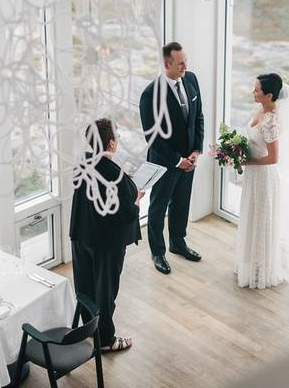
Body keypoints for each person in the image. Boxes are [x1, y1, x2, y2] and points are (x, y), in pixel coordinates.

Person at [69, 118, 144, 352]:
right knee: (106, 291)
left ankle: (88, 329)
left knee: (84, 287)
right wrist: (137, 199)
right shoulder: (114, 172)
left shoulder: (82, 162)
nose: (118, 141)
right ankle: (106, 340)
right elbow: (126, 213)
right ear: (111, 143)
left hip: (81, 234)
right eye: (117, 138)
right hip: (106, 243)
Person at [138, 41, 205, 275]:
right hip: (165, 163)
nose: (185, 66)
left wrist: (196, 152)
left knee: (182, 202)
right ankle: (158, 252)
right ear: (167, 64)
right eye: (180, 63)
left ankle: (178, 243)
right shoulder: (150, 95)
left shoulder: (191, 79)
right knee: (158, 207)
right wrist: (178, 160)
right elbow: (153, 138)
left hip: (190, 160)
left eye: (185, 61)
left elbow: (198, 118)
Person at [235, 73, 289, 289]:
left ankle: (261, 270)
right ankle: (249, 263)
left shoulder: (272, 120)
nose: (253, 92)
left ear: (269, 95)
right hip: (253, 175)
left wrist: (249, 160)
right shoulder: (260, 110)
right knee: (251, 217)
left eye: (257, 89)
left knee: (260, 221)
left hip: (263, 177)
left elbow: (273, 158)